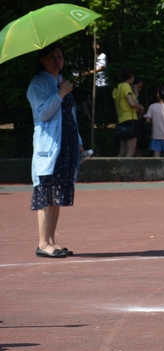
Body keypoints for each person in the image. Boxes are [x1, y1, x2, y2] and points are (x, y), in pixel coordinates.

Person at [27, 43, 90, 258]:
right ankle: (43, 242)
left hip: (66, 145)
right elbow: (43, 113)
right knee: (46, 193)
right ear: (42, 60)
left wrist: (79, 143)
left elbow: (71, 118)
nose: (58, 60)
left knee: (57, 194)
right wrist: (61, 94)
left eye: (60, 55)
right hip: (50, 146)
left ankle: (52, 240)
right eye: (52, 56)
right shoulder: (38, 84)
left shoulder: (61, 81)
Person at [113, 67, 145, 157]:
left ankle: (118, 166)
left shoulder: (117, 87)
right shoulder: (126, 86)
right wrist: (140, 106)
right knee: (130, 152)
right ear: (131, 76)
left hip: (121, 120)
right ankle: (126, 167)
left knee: (122, 152)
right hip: (130, 120)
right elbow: (131, 103)